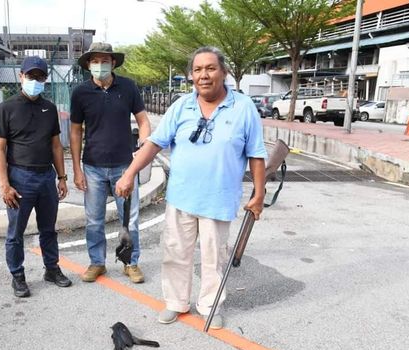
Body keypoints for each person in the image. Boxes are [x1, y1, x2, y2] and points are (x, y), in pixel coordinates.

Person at [115, 47, 267, 330]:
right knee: (175, 253)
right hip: (181, 197)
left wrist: (259, 194)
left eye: (210, 68)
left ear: (224, 72)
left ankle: (210, 305)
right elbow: (154, 143)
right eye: (197, 70)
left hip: (218, 199)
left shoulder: (244, 107)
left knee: (214, 258)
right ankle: (176, 302)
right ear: (191, 76)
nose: (203, 75)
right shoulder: (182, 106)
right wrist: (129, 174)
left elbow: (256, 154)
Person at [69, 42, 151, 284]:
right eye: (95, 61)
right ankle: (97, 262)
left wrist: (144, 144)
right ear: (88, 65)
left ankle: (130, 262)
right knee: (94, 220)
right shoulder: (80, 93)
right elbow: (75, 131)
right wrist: (76, 169)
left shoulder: (128, 87)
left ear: (113, 63)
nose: (100, 65)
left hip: (125, 166)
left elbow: (143, 121)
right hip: (92, 166)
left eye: (105, 61)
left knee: (130, 219)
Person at [0, 56, 72, 298]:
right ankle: (17, 276)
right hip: (20, 178)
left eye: (40, 77)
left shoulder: (49, 108)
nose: (35, 81)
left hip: (46, 176)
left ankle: (52, 269)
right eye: (30, 76)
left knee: (48, 229)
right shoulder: (6, 108)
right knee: (15, 232)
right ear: (21, 77)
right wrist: (5, 185)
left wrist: (62, 177)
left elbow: (56, 145)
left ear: (46, 79)